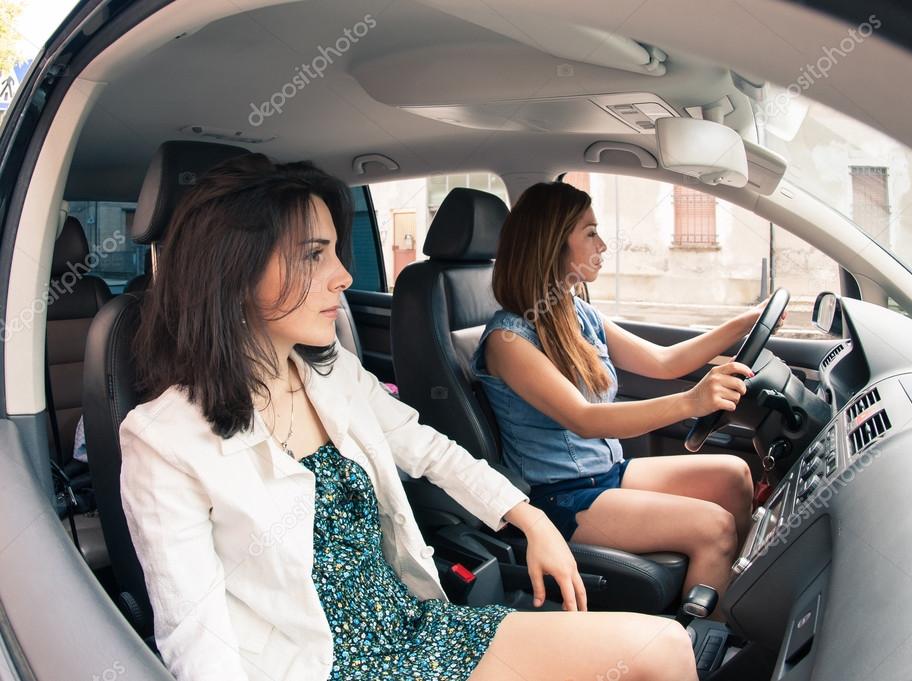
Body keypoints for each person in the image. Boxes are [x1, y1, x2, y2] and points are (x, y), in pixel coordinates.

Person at [119, 155, 695, 681]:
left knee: (665, 647)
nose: (343, 276)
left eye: (335, 252)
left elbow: (429, 448)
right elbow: (197, 636)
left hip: (416, 629)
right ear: (234, 271)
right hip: (321, 667)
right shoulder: (163, 441)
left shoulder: (330, 371)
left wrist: (530, 519)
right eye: (314, 254)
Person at [474, 181, 771, 606]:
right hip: (562, 496)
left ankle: (740, 604)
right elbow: (584, 418)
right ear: (552, 244)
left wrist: (745, 322)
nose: (603, 245)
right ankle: (707, 645)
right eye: (590, 233)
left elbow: (665, 362)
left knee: (735, 476)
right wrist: (692, 402)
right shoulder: (509, 341)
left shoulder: (577, 312)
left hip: (608, 473)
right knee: (714, 527)